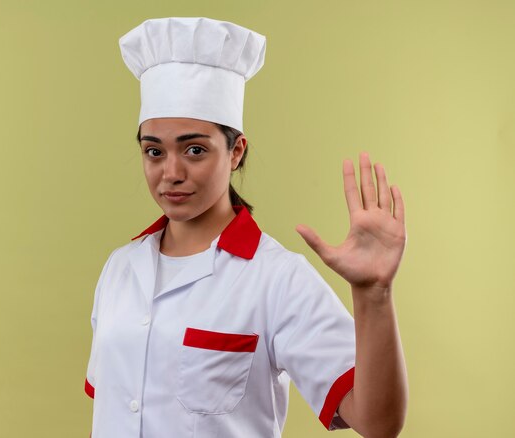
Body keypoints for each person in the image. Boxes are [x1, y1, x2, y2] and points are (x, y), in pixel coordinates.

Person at [84, 17, 408, 438]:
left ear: (236, 151)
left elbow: (377, 423)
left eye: (195, 149)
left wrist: (374, 295)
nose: (171, 172)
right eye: (154, 151)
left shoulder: (277, 278)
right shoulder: (119, 270)